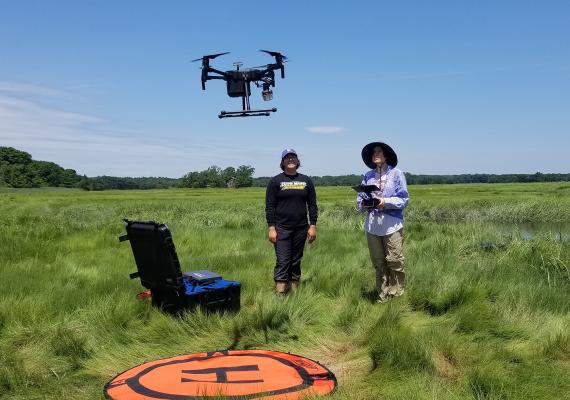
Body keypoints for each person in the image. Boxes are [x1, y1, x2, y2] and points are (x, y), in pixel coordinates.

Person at [357, 142, 409, 303]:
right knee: (379, 262)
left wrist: (384, 202)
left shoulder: (397, 174)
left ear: (386, 155)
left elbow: (404, 199)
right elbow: (360, 199)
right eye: (373, 152)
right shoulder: (368, 176)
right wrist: (363, 204)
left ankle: (397, 293)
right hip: (373, 226)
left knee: (394, 259)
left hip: (391, 224)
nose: (375, 154)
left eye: (379, 151)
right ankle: (382, 294)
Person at [265, 148, 318, 294]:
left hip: (301, 228)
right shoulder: (275, 181)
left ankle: (295, 293)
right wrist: (271, 228)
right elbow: (270, 206)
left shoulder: (306, 181)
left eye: (293, 157)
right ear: (282, 162)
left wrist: (312, 225)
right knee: (283, 261)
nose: (290, 159)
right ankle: (280, 294)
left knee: (295, 260)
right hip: (282, 228)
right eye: (287, 157)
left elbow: (312, 205)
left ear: (297, 161)